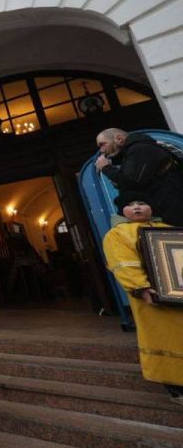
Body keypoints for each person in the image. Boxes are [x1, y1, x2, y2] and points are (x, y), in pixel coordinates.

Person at [102, 191, 183, 405]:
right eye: (131, 204)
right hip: (152, 298)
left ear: (151, 208)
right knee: (164, 338)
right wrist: (140, 287)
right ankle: (175, 386)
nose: (137, 207)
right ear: (122, 211)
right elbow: (122, 263)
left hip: (177, 295)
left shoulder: (167, 229)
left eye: (142, 203)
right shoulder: (118, 234)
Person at [95, 128, 183, 226]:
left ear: (119, 139)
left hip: (173, 210)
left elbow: (132, 181)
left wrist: (106, 167)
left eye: (102, 144)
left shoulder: (140, 149)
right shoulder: (134, 151)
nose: (102, 150)